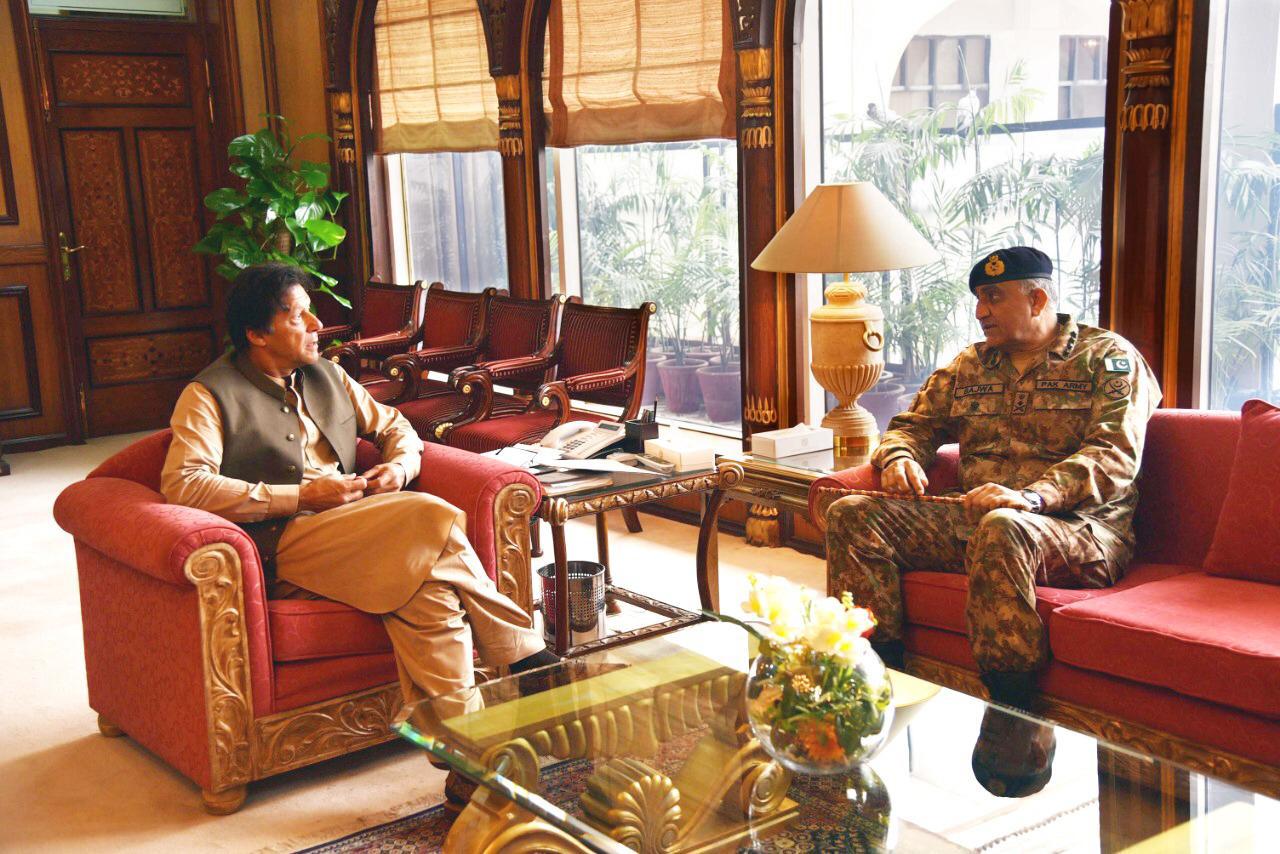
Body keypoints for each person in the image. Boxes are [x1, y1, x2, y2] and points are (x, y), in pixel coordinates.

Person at [161, 263, 557, 721]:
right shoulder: (208, 394)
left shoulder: (328, 375)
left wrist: (400, 468)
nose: (316, 326)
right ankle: (525, 655)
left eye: (313, 313)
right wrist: (301, 497)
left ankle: (469, 754)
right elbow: (184, 483)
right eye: (298, 318)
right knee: (428, 514)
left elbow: (395, 426)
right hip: (283, 540)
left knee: (430, 596)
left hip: (358, 526)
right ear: (256, 333)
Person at [826, 246, 1160, 711]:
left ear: (1038, 300)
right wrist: (900, 458)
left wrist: (1031, 497)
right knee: (851, 513)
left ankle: (1012, 706)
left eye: (993, 298)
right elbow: (912, 426)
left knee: (1004, 527)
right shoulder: (970, 365)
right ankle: (873, 679)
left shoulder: (1106, 358)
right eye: (979, 300)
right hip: (976, 522)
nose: (981, 312)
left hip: (1081, 531)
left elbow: (1114, 457)